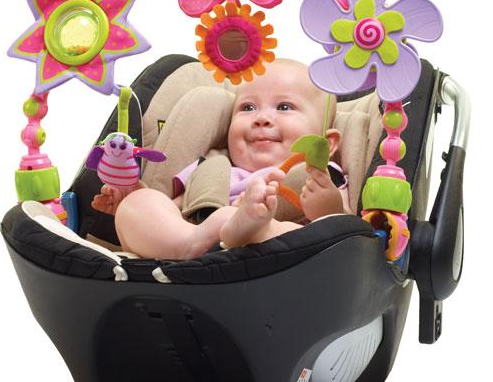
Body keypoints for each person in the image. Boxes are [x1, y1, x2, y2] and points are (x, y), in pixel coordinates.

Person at [92, 59, 348, 259]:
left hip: (272, 252)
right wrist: (135, 194)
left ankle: (249, 227)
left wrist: (329, 209)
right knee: (139, 204)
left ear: (328, 143)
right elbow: (177, 208)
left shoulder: (322, 175)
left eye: (284, 107)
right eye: (248, 107)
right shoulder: (209, 167)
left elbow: (349, 233)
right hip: (197, 241)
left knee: (315, 235)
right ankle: (189, 245)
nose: (261, 118)